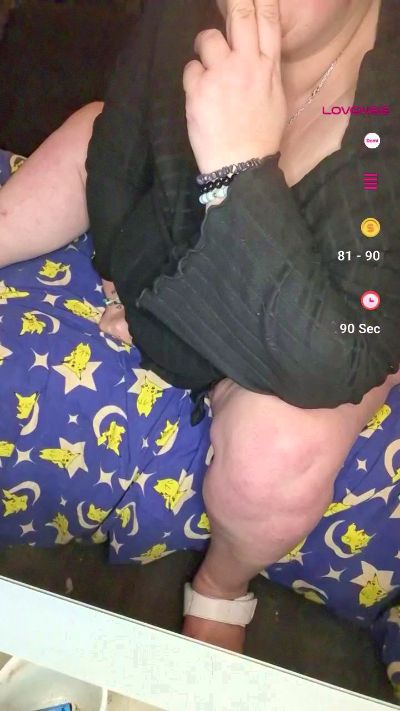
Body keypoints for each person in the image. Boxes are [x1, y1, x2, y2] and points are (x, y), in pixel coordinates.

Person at [0, 0, 400, 690]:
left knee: (279, 455)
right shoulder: (192, 13)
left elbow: (335, 360)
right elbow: (119, 147)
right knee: (89, 129)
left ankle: (221, 586)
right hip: (210, 252)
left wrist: (237, 171)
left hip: (335, 324)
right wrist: (147, 271)